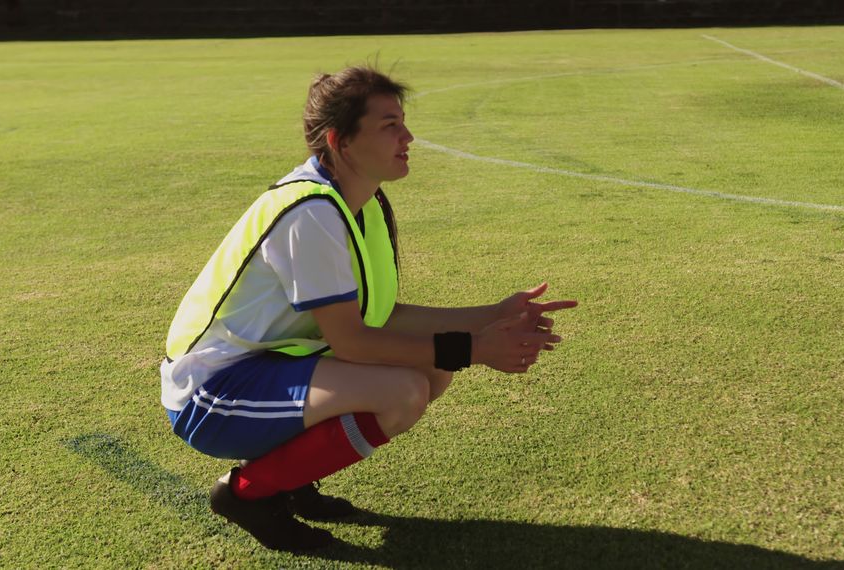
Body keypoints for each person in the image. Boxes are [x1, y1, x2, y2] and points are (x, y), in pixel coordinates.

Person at [160, 66, 578, 551]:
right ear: (340, 141)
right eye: (389, 126)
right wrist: (476, 348)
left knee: (432, 370)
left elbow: (382, 316)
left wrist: (493, 313)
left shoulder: (364, 202)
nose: (409, 136)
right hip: (212, 394)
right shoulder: (312, 212)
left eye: (402, 122)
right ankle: (246, 494)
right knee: (402, 391)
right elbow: (354, 342)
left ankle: (289, 477)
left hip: (269, 367)